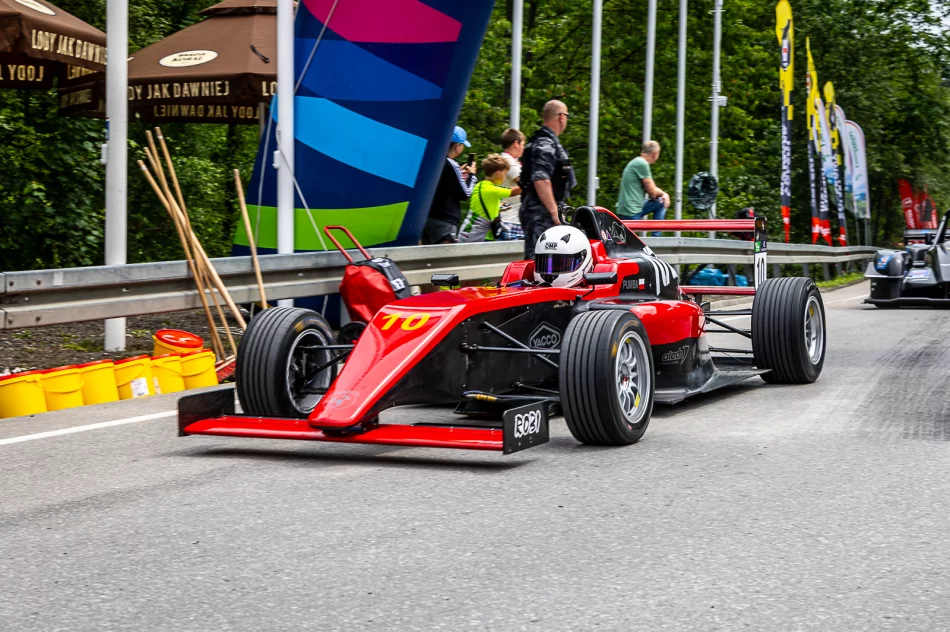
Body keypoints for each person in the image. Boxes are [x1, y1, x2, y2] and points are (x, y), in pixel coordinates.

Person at [519, 100, 576, 259]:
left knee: (549, 260)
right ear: (561, 117)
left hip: (541, 210)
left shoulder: (544, 140)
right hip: (540, 212)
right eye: (567, 115)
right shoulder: (545, 142)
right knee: (538, 260)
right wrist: (554, 212)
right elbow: (540, 178)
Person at [423, 126, 477, 244]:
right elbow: (465, 193)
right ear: (457, 146)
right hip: (445, 219)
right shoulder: (451, 164)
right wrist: (472, 176)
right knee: (443, 259)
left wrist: (459, 176)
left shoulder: (433, 161)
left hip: (427, 216)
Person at [458, 154, 522, 242]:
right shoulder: (491, 189)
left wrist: (499, 207)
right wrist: (529, 180)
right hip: (477, 237)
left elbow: (482, 208)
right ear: (498, 174)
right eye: (505, 174)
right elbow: (515, 191)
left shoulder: (480, 185)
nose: (504, 178)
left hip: (468, 233)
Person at [615, 140, 670, 236]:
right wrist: (664, 194)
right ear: (655, 154)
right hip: (631, 211)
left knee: (660, 201)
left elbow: (651, 189)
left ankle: (655, 238)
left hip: (626, 208)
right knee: (661, 202)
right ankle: (656, 239)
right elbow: (652, 192)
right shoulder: (642, 164)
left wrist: (662, 194)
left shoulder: (636, 162)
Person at [499, 127, 525, 224]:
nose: (523, 148)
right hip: (510, 219)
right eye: (522, 144)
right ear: (515, 144)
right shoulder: (507, 161)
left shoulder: (511, 160)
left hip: (511, 217)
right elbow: (524, 183)